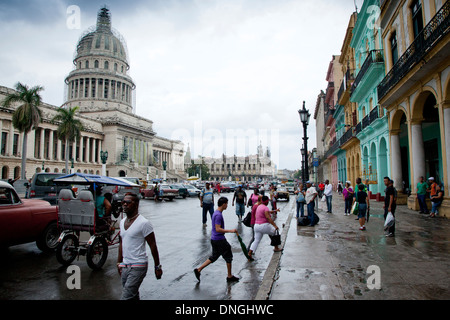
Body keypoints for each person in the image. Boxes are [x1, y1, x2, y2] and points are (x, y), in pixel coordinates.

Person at [117, 193, 162, 300]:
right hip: (125, 265)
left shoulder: (144, 223)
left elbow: (153, 246)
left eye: (128, 202)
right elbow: (121, 243)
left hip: (138, 266)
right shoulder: (122, 222)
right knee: (132, 295)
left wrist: (157, 267)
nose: (124, 204)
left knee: (126, 296)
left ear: (136, 204)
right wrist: (119, 262)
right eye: (123, 202)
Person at [194, 197, 239, 282]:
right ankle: (229, 276)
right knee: (228, 256)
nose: (227, 205)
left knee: (214, 257)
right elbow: (218, 229)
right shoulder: (218, 215)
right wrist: (231, 231)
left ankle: (198, 269)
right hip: (219, 239)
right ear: (223, 204)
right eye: (226, 203)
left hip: (214, 239)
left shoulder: (216, 213)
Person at [248, 196, 281, 260]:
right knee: (275, 232)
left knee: (256, 240)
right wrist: (275, 226)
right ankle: (276, 248)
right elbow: (268, 217)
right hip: (264, 225)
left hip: (256, 226)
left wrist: (274, 210)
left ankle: (250, 253)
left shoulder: (259, 207)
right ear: (267, 201)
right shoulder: (265, 208)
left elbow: (257, 215)